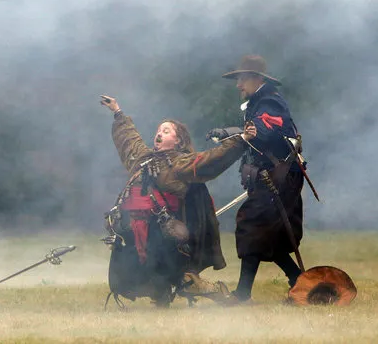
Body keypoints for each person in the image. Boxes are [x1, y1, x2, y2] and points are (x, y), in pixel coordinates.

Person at [100, 94, 257, 308]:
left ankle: (190, 286)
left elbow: (212, 158)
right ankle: (160, 292)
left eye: (166, 131)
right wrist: (118, 112)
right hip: (133, 227)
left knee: (170, 267)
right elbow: (129, 139)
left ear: (178, 141)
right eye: (158, 130)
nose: (159, 133)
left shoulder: (180, 162)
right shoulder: (142, 158)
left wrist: (241, 141)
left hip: (163, 232)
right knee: (138, 264)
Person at [207, 55, 305, 303]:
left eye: (242, 79)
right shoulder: (258, 101)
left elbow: (263, 130)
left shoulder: (270, 102)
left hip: (279, 178)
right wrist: (230, 132)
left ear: (257, 78)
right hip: (272, 178)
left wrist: (237, 133)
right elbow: (254, 130)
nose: (238, 85)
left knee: (251, 227)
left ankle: (242, 295)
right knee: (266, 236)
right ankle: (298, 280)